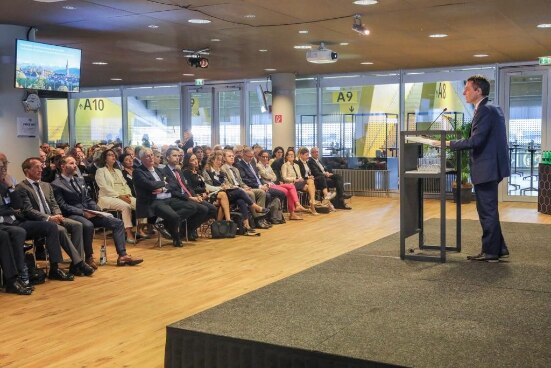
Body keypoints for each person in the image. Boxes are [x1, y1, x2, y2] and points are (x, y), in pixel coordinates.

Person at [435, 75, 510, 262]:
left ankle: (491, 252)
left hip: (487, 169)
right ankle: (498, 249)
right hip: (492, 167)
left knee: (487, 211)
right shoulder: (492, 108)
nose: (463, 92)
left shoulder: (485, 111)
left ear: (478, 91)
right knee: (489, 210)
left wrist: (448, 143)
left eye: (467, 89)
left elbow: (476, 141)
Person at [51, 156, 143, 266]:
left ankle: (123, 255)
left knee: (117, 223)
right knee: (88, 225)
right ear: (62, 166)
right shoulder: (56, 184)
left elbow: (88, 199)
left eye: (75, 163)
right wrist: (83, 212)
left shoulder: (79, 180)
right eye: (71, 163)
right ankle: (89, 257)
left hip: (89, 212)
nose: (75, 165)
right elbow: (62, 205)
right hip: (72, 215)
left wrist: (96, 209)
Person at [16, 157, 90, 279]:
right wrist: (49, 218)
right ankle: (75, 263)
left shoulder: (46, 185)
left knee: (77, 225)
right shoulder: (22, 187)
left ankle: (75, 265)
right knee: (59, 229)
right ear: (27, 170)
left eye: (41, 166)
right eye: (37, 167)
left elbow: (54, 204)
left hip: (53, 217)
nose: (41, 169)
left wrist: (58, 215)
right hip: (37, 221)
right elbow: (28, 210)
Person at [133, 148, 197, 247]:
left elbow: (173, 184)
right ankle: (176, 239)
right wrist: (164, 183)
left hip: (168, 198)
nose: (151, 157)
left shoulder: (159, 170)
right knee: (174, 217)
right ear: (141, 159)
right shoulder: (138, 171)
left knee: (192, 207)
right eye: (147, 156)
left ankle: (164, 223)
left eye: (152, 155)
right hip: (153, 201)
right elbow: (150, 185)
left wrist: (163, 189)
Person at [162, 147, 214, 241]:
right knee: (202, 209)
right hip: (176, 198)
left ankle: (188, 229)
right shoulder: (164, 172)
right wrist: (189, 198)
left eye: (178, 156)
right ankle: (178, 228)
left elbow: (186, 186)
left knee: (212, 209)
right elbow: (172, 191)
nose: (177, 158)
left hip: (188, 196)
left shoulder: (178, 171)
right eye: (174, 155)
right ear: (167, 157)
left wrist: (195, 196)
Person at [95, 149, 138, 243]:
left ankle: (141, 229)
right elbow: (104, 187)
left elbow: (125, 184)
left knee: (141, 203)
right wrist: (120, 196)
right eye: (110, 155)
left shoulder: (118, 171)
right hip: (107, 197)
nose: (113, 156)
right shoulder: (100, 171)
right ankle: (129, 233)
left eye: (114, 154)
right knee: (125, 206)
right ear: (105, 158)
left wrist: (128, 194)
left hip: (124, 195)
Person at [257, 150, 308, 220]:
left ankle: (297, 205)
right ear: (259, 157)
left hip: (273, 184)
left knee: (291, 186)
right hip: (267, 185)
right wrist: (270, 176)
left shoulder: (268, 166)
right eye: (263, 157)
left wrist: (270, 177)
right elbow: (265, 175)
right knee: (287, 191)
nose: (265, 158)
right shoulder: (258, 165)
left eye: (267, 157)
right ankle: (292, 212)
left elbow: (274, 177)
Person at [182, 153, 232, 222]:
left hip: (205, 193)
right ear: (188, 162)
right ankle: (222, 222)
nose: (195, 161)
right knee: (222, 196)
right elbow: (190, 188)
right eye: (192, 160)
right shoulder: (186, 173)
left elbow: (204, 185)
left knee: (222, 199)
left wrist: (206, 190)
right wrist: (204, 191)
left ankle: (221, 223)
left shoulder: (197, 171)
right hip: (196, 196)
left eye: (195, 159)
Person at [280, 149, 319, 215]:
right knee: (310, 182)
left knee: (309, 187)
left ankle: (312, 204)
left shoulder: (296, 165)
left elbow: (300, 176)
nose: (291, 155)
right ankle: (313, 203)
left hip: (299, 182)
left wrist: (300, 179)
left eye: (292, 154)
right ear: (286, 156)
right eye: (289, 154)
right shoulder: (285, 165)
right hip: (292, 183)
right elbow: (284, 177)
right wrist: (294, 179)